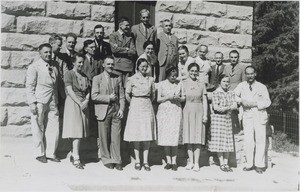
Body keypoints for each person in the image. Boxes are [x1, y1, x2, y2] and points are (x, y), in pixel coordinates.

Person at [26, 43, 65, 163]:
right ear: (40, 53)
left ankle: (50, 153)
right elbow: (29, 86)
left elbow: (58, 84)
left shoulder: (55, 65)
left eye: (50, 52)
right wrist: (32, 103)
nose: (48, 54)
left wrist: (63, 99)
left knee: (53, 127)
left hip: (53, 101)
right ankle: (39, 153)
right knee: (38, 127)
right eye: (46, 52)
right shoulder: (34, 67)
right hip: (40, 101)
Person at [235, 66, 271, 174]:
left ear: (255, 74)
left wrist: (255, 103)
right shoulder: (241, 86)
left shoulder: (262, 87)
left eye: (252, 74)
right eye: (247, 74)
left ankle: (259, 165)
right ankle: (249, 164)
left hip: (259, 114)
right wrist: (242, 100)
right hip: (247, 114)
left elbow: (267, 102)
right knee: (248, 140)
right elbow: (234, 95)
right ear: (245, 74)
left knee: (260, 139)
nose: (250, 76)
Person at [91, 56, 125, 171]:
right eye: (108, 64)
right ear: (103, 65)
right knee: (104, 136)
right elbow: (94, 96)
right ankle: (106, 159)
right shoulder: (97, 78)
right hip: (103, 110)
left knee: (116, 136)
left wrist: (122, 109)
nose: (111, 66)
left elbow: (122, 95)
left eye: (112, 64)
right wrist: (108, 98)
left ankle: (117, 159)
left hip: (116, 110)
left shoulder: (117, 78)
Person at [124, 58, 156, 171]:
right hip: (135, 107)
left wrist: (145, 102)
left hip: (147, 107)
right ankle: (138, 160)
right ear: (137, 67)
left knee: (147, 135)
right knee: (136, 134)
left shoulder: (151, 79)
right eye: (142, 66)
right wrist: (133, 103)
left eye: (146, 66)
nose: (144, 68)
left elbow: (153, 95)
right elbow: (127, 94)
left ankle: (146, 161)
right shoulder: (131, 79)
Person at [62, 53, 90, 169]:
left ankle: (74, 154)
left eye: (82, 62)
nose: (81, 64)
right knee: (76, 131)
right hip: (74, 103)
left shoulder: (84, 76)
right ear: (73, 62)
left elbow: (88, 90)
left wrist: (87, 100)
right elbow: (69, 90)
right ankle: (76, 157)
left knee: (80, 131)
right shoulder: (69, 74)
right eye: (79, 62)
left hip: (83, 103)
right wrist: (80, 103)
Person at [156, 67, 184, 171]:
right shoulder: (161, 84)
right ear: (167, 75)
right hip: (164, 112)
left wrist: (178, 98)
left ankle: (174, 161)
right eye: (172, 75)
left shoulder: (179, 83)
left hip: (175, 111)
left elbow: (183, 97)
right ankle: (168, 161)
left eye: (175, 75)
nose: (174, 77)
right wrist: (168, 97)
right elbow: (158, 99)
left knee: (174, 136)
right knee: (166, 136)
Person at [181, 63, 208, 172]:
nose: (193, 73)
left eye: (195, 71)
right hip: (187, 110)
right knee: (188, 137)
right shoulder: (183, 83)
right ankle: (190, 161)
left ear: (198, 72)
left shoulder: (202, 84)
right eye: (191, 70)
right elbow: (182, 97)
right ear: (188, 71)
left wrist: (205, 114)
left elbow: (205, 100)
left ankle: (196, 163)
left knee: (197, 137)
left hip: (199, 109)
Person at [208, 74, 237, 172]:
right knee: (219, 141)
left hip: (227, 119)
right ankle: (221, 163)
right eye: (224, 81)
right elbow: (216, 108)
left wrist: (224, 108)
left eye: (227, 81)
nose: (226, 83)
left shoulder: (231, 93)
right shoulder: (216, 93)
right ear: (220, 82)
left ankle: (226, 163)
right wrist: (228, 108)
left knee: (227, 141)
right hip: (218, 120)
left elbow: (235, 105)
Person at [223, 50, 247, 134]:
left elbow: (244, 83)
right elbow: (224, 80)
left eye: (235, 57)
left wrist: (242, 95)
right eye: (232, 57)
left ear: (238, 58)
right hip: (228, 92)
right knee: (228, 110)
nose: (233, 59)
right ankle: (229, 128)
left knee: (236, 111)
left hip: (237, 93)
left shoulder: (242, 68)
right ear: (229, 58)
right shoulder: (226, 67)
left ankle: (239, 129)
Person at [109, 17, 136, 86]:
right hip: (117, 66)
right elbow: (114, 50)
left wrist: (120, 49)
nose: (128, 27)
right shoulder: (113, 36)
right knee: (117, 87)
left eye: (128, 25)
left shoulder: (130, 37)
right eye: (126, 25)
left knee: (127, 88)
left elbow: (133, 51)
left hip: (128, 67)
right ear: (120, 25)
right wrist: (127, 49)